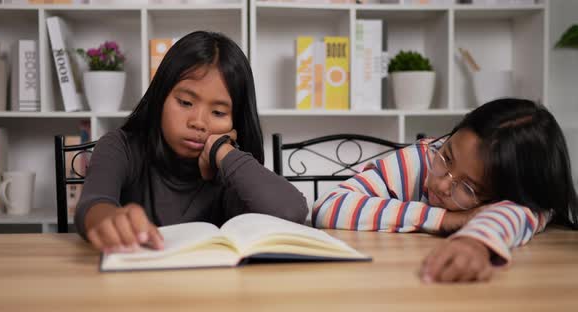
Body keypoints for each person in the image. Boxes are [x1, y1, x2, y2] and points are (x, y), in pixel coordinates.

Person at [75, 31, 308, 253]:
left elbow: (290, 211)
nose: (198, 122)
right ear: (160, 98)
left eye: (218, 113)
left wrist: (223, 151)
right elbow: (93, 204)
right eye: (185, 102)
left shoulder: (231, 172)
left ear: (235, 121)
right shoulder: (121, 146)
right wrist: (109, 220)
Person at [312, 98, 578, 283]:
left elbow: (521, 213)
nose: (440, 184)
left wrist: (475, 242)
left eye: (467, 188)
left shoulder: (521, 198)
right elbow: (328, 207)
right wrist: (445, 218)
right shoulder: (420, 160)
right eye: (447, 157)